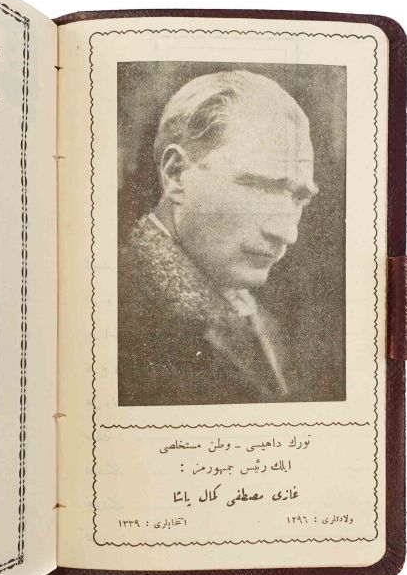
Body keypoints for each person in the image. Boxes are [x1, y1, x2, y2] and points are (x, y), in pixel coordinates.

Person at [118, 70, 318, 406]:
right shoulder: (119, 314)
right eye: (261, 188)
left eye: (299, 197)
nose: (287, 233)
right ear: (176, 175)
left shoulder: (266, 325)